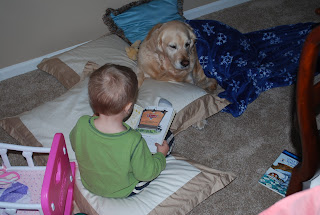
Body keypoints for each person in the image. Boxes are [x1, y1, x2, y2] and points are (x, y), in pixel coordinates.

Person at [70, 63, 169, 198]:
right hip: (121, 190)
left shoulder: (82, 123)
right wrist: (161, 156)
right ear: (128, 107)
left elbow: (74, 142)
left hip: (90, 184)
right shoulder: (134, 140)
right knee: (168, 137)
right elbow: (146, 173)